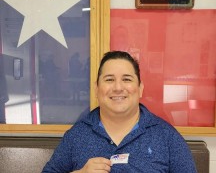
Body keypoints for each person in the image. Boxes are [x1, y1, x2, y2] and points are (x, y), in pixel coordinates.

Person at [42, 50, 197, 173]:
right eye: (109, 79)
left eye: (127, 79)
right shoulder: (76, 136)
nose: (117, 88)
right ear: (96, 89)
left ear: (140, 88)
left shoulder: (167, 136)